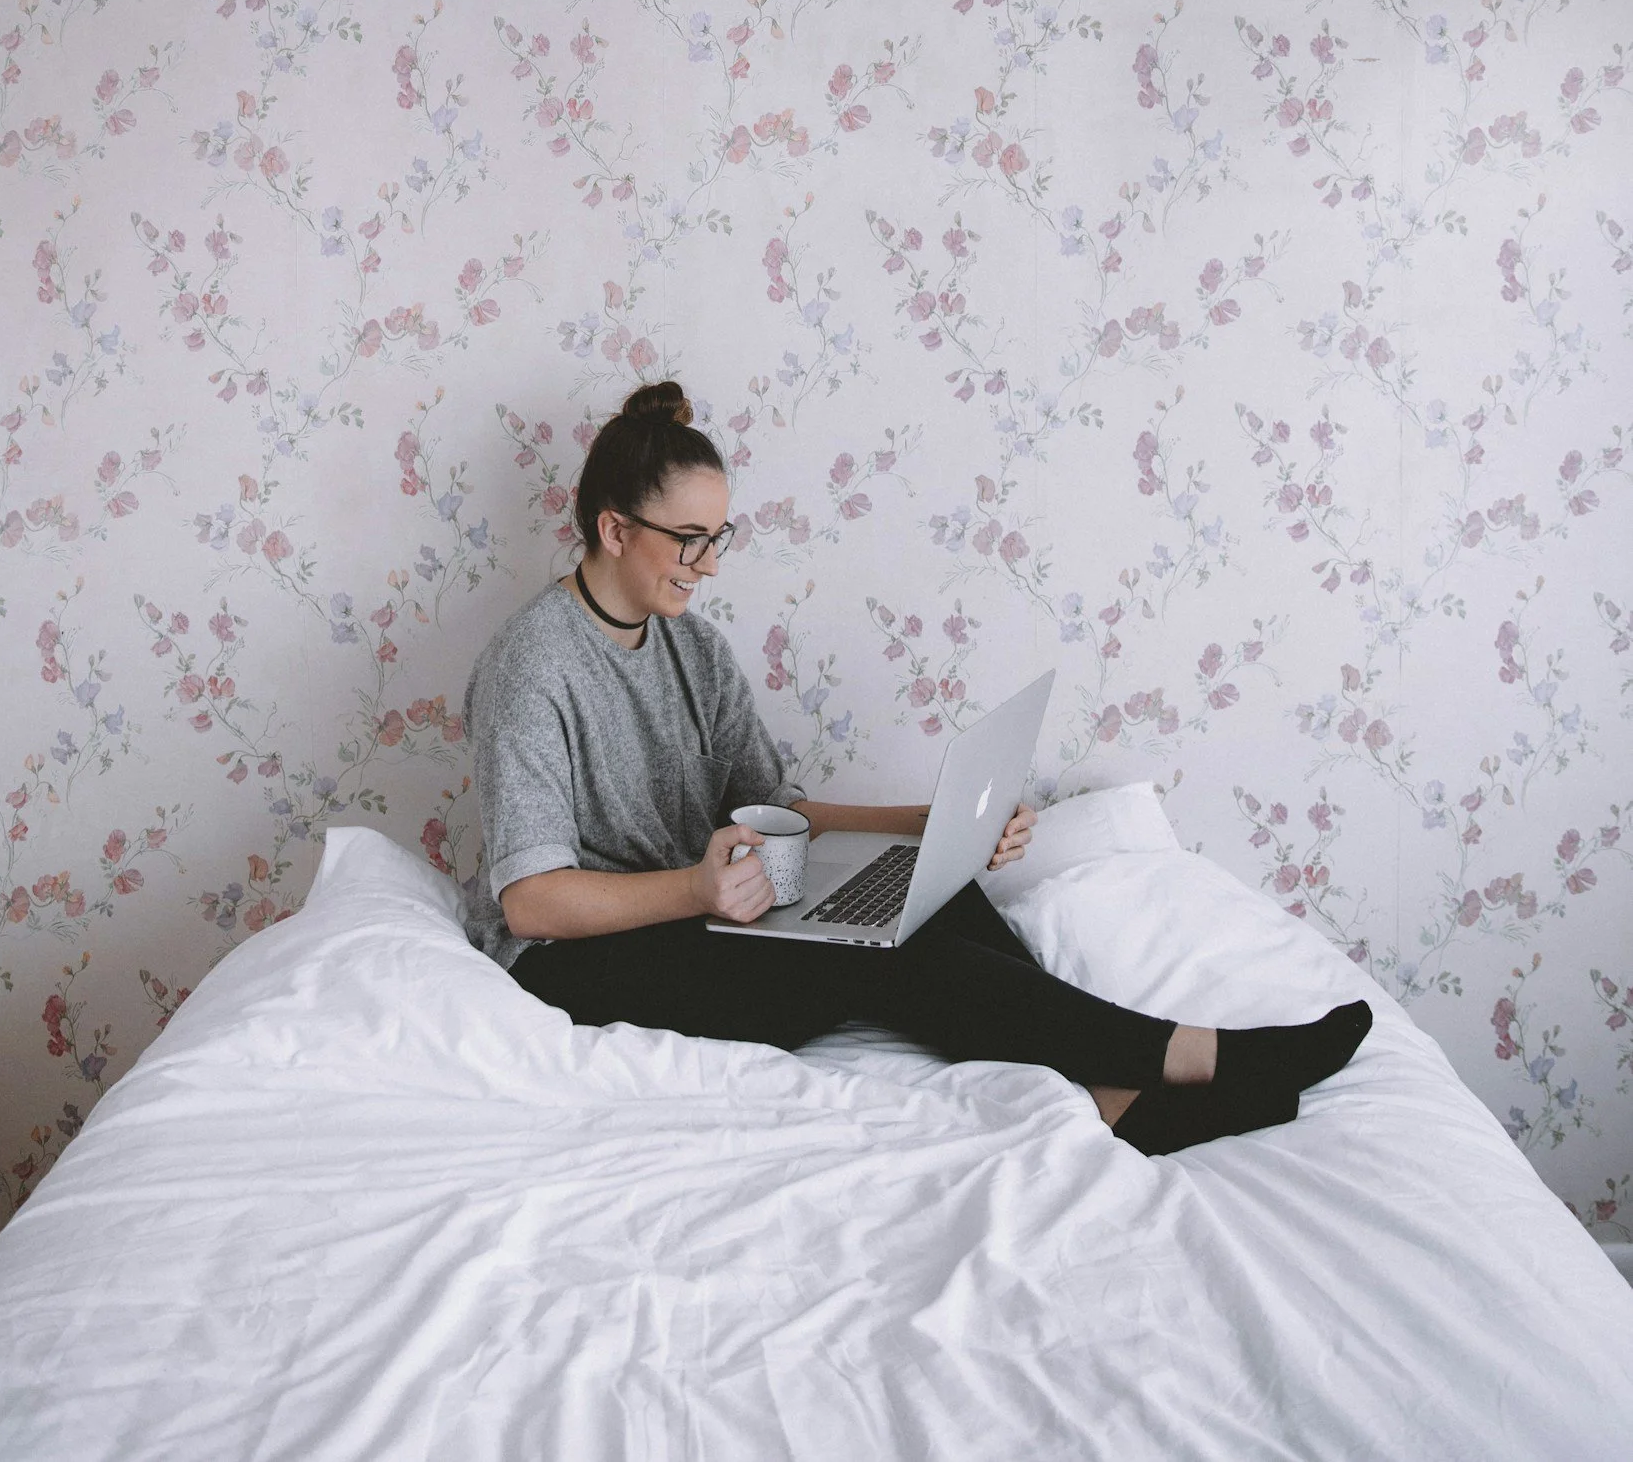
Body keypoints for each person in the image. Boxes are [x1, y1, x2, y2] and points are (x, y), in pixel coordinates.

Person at [464, 381, 1370, 1154]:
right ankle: (1190, 1055)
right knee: (875, 947)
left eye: (720, 538)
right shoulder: (531, 666)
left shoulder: (692, 649)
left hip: (706, 910)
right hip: (576, 962)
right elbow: (530, 900)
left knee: (916, 890)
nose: (707, 565)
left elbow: (776, 807)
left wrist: (932, 828)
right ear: (615, 529)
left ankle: (1114, 1094)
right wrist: (696, 895)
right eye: (688, 539)